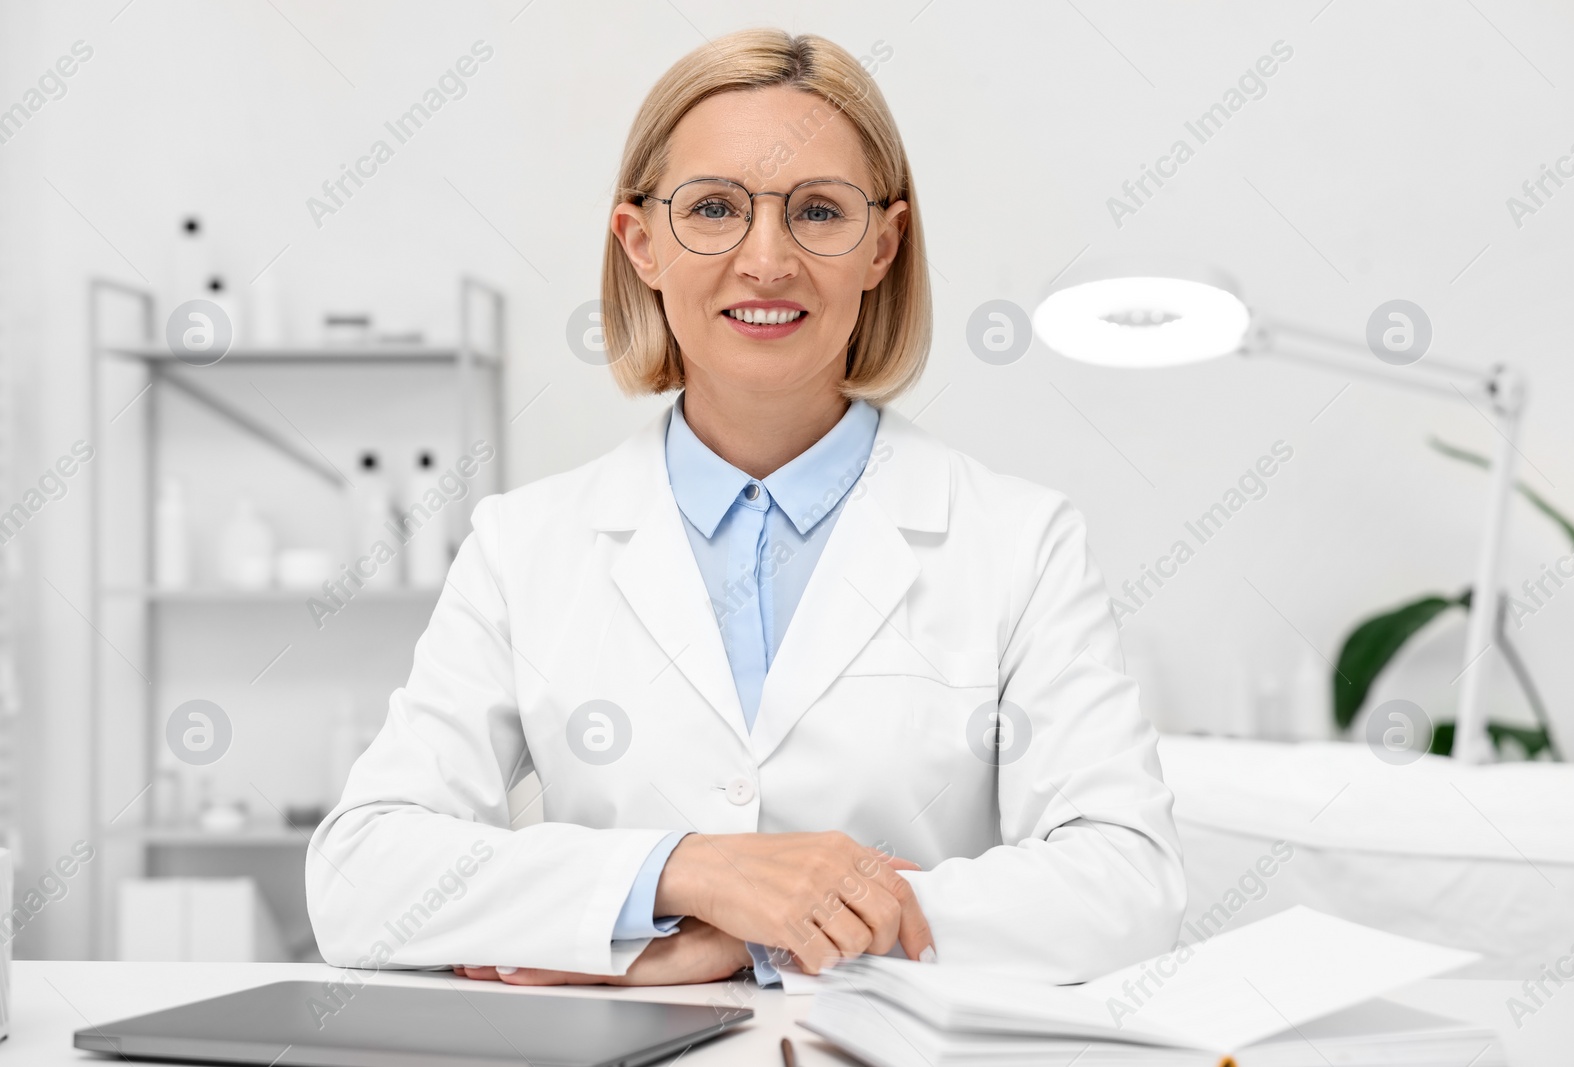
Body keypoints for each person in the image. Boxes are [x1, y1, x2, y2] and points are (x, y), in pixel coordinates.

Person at [306, 27, 1185, 989]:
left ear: (883, 247)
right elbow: (361, 875)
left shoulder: (1020, 541)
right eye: (715, 209)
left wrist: (768, 932)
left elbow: (1129, 886)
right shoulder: (525, 546)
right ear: (640, 244)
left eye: (817, 212)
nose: (767, 261)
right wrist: (693, 872)